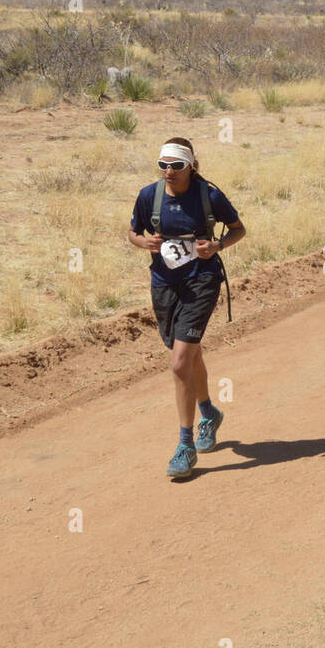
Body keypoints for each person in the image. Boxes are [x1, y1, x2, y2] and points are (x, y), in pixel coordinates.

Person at [127, 137, 246, 479]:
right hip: (164, 284)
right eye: (163, 165)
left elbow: (239, 229)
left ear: (191, 165)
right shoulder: (149, 195)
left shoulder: (209, 194)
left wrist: (218, 244)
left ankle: (185, 444)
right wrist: (142, 242)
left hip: (202, 280)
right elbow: (133, 232)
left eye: (176, 166)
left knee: (179, 361)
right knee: (189, 355)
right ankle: (209, 413)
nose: (168, 172)